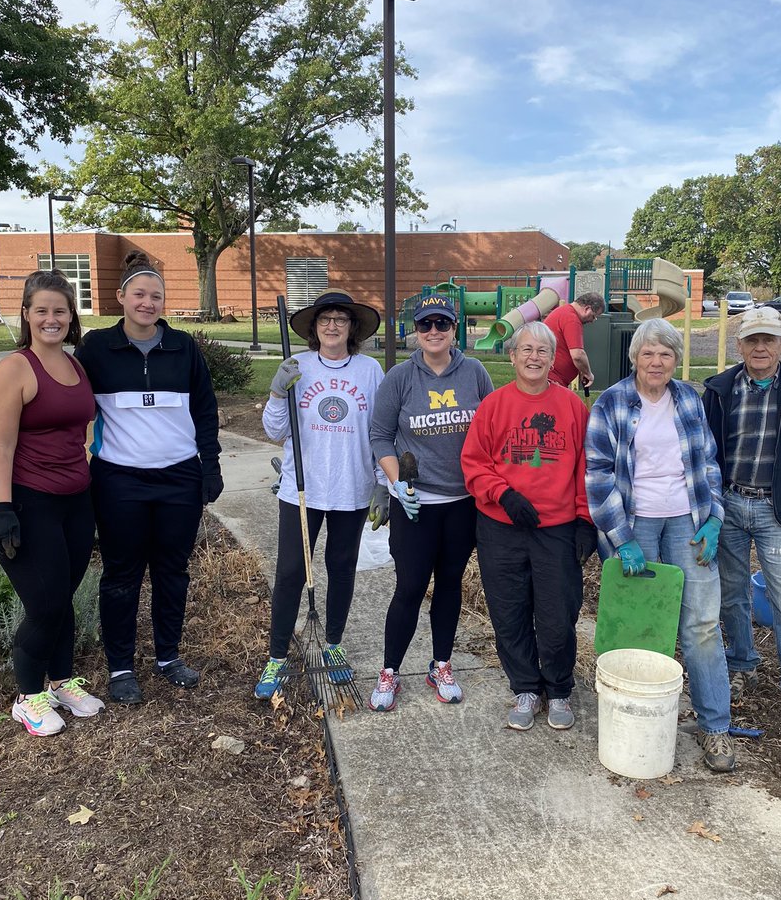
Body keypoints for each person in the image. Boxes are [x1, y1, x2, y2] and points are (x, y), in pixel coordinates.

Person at [585, 318, 735, 772]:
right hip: (636, 523)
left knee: (702, 623)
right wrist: (622, 539)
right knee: (641, 624)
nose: (656, 362)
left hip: (687, 520)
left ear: (675, 360)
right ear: (635, 358)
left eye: (665, 354)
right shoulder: (611, 403)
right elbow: (598, 476)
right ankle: (637, 716)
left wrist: (714, 519)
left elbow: (708, 462)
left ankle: (715, 727)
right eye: (648, 353)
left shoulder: (688, 398)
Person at [75, 251, 222, 704]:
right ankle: (121, 668)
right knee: (121, 573)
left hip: (178, 478)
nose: (147, 302)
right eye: (139, 293)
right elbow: (69, 400)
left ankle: (167, 657)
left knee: (172, 570)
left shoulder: (183, 347)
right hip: (119, 480)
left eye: (156, 296)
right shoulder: (96, 348)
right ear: (121, 297)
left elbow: (204, 409)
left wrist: (210, 464)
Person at [702, 306, 781, 731]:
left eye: (768, 340)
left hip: (777, 511)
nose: (760, 347)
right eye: (752, 340)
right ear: (739, 346)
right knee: (732, 595)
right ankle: (743, 665)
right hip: (730, 505)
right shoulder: (719, 392)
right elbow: (704, 455)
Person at [461, 321, 595, 731]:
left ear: (551, 357)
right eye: (526, 349)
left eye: (542, 350)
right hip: (502, 527)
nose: (534, 357)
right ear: (513, 356)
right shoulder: (495, 405)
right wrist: (503, 494)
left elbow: (587, 468)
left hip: (556, 528)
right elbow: (474, 463)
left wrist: (585, 520)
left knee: (557, 614)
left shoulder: (572, 407)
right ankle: (525, 688)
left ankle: (557, 689)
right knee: (509, 612)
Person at [0, 270, 102, 736]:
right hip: (27, 501)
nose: (51, 319)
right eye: (42, 311)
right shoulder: (15, 368)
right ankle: (27, 696)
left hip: (76, 500)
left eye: (60, 310)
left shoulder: (76, 366)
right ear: (27, 314)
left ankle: (60, 681)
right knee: (46, 601)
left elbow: (82, 430)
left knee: (64, 595)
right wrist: (0, 508)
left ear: (71, 316)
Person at [255, 291, 384, 698]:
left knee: (342, 568)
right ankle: (277, 656)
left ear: (352, 327)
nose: (332, 325)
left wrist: (382, 482)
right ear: (314, 328)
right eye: (325, 319)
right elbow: (275, 432)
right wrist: (278, 392)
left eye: (340, 319)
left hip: (351, 488)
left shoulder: (369, 370)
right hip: (301, 490)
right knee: (291, 572)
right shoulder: (298, 366)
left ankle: (332, 645)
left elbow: (378, 430)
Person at [368, 292, 493, 711]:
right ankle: (389, 671)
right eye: (426, 325)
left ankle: (441, 663)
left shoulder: (474, 372)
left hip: (462, 504)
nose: (434, 331)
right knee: (409, 587)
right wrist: (395, 482)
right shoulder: (400, 378)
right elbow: (380, 436)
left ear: (455, 329)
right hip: (416, 504)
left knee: (450, 586)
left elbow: (490, 429)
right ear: (415, 331)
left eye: (442, 324)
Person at [544, 292, 606, 391]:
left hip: (551, 378)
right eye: (594, 316)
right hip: (552, 380)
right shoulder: (572, 319)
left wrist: (581, 369)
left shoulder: (564, 312)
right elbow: (578, 355)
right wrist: (588, 373)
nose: (593, 320)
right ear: (587, 309)